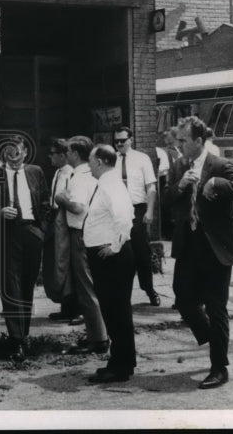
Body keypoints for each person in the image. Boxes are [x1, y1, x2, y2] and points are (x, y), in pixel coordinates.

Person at [165, 116, 233, 390]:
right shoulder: (179, 165)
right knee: (183, 299)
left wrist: (217, 184)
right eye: (177, 140)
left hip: (215, 247)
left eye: (183, 141)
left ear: (198, 141)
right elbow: (168, 199)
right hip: (189, 243)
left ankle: (219, 367)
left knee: (217, 308)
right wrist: (180, 187)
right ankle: (209, 336)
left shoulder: (219, 165)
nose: (178, 145)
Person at [0, 135, 48, 363]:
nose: (14, 156)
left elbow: (46, 204)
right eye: (10, 152)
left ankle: (24, 333)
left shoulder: (36, 172)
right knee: (11, 287)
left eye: (18, 151)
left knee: (27, 284)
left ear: (25, 152)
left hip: (31, 233)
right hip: (4, 235)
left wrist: (41, 232)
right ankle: (16, 340)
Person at [83, 144, 138, 384]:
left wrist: (115, 246)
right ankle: (122, 361)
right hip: (106, 256)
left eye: (91, 161)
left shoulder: (111, 184)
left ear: (100, 162)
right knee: (114, 311)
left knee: (117, 312)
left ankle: (121, 366)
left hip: (113, 257)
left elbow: (125, 217)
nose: (89, 165)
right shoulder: (107, 184)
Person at [54, 136, 109, 355]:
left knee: (86, 288)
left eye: (67, 152)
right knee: (93, 285)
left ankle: (99, 339)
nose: (65, 155)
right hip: (95, 232)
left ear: (75, 154)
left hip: (80, 234)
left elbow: (77, 207)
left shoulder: (78, 177)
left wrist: (61, 199)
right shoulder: (94, 173)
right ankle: (98, 333)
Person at [113, 126, 161, 306]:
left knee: (142, 253)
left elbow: (151, 187)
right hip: (118, 211)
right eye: (116, 141)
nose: (119, 144)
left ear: (130, 140)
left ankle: (149, 290)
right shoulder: (112, 160)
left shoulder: (142, 159)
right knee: (122, 254)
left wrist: (149, 211)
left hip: (138, 210)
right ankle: (122, 295)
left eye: (122, 141)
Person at [44, 138, 78, 321]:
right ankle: (66, 305)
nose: (50, 157)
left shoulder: (71, 174)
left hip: (64, 219)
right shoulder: (58, 172)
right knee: (58, 263)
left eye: (53, 154)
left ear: (63, 155)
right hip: (55, 220)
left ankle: (73, 307)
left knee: (66, 263)